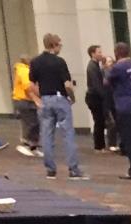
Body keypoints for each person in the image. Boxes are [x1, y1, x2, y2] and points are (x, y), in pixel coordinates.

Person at [28, 34, 82, 179]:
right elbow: (67, 85)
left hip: (45, 99)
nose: (60, 47)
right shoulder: (59, 62)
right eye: (59, 45)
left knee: (46, 135)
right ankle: (73, 169)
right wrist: (72, 98)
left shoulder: (35, 62)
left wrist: (39, 98)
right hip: (60, 98)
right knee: (67, 134)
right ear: (54, 45)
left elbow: (31, 84)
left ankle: (50, 169)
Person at [107, 43, 131, 177]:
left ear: (116, 53)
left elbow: (107, 81)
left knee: (129, 139)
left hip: (124, 105)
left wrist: (107, 68)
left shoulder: (118, 67)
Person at [83, 43, 111, 150]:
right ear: (92, 54)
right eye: (99, 52)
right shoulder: (92, 67)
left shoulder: (95, 65)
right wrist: (104, 96)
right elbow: (96, 85)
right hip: (94, 98)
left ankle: (100, 145)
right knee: (99, 121)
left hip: (95, 96)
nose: (101, 54)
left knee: (100, 121)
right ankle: (99, 146)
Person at [11, 54, 37, 155]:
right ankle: (26, 143)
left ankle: (32, 145)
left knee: (31, 122)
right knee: (30, 122)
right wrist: (36, 98)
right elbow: (27, 87)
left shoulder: (25, 70)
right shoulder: (24, 71)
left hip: (24, 100)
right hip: (24, 100)